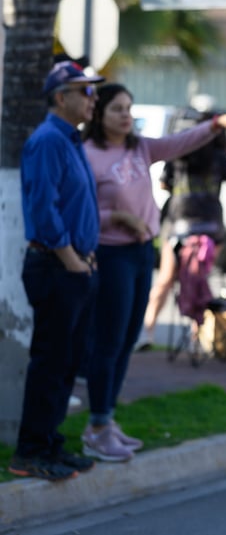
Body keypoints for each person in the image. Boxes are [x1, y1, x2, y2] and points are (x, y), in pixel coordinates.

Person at [81, 83, 226, 461]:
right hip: (110, 254)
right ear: (98, 115)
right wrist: (116, 217)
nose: (126, 115)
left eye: (129, 107)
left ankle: (106, 419)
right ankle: (96, 425)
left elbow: (181, 141)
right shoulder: (88, 154)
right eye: (117, 109)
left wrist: (218, 123)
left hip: (141, 252)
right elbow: (78, 210)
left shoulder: (141, 147)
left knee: (125, 340)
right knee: (108, 340)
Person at [9, 60, 105, 481]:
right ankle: (30, 451)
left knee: (67, 363)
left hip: (73, 265)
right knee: (50, 362)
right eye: (86, 91)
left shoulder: (70, 139)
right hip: (54, 267)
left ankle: (49, 444)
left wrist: (85, 255)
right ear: (61, 97)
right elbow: (41, 208)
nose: (93, 99)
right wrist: (69, 256)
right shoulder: (48, 140)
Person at [140, 110, 226, 349]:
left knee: (165, 279)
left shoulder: (179, 155)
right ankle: (196, 335)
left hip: (178, 223)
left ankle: (147, 330)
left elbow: (164, 183)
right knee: (200, 279)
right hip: (211, 226)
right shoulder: (220, 157)